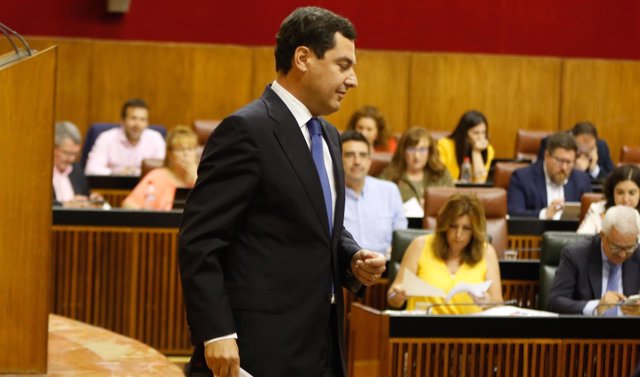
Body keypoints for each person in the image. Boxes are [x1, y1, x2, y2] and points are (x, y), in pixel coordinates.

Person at [178, 7, 386, 377]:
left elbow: (315, 224)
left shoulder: (331, 137)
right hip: (257, 350)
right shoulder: (247, 130)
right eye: (343, 65)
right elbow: (200, 241)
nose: (353, 79)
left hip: (321, 348)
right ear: (303, 58)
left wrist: (351, 257)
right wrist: (216, 332)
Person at [386, 193, 503, 314]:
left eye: (466, 228)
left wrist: (488, 302)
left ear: (475, 230)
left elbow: (498, 304)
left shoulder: (487, 251)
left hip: (469, 329)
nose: (458, 235)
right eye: (453, 226)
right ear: (444, 225)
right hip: (423, 328)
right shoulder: (419, 246)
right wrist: (397, 295)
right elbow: (391, 298)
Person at [548, 205, 640, 316]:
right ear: (602, 235)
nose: (622, 254)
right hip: (586, 331)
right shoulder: (575, 255)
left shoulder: (637, 254)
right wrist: (597, 306)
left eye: (629, 248)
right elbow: (555, 302)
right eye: (616, 247)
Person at [341, 130, 407, 259]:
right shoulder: (328, 194)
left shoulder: (389, 191)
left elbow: (400, 235)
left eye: (363, 155)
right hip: (344, 268)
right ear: (337, 159)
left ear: (370, 160)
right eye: (349, 155)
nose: (357, 161)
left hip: (384, 267)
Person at [507, 131, 592, 219]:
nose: (564, 167)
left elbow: (590, 215)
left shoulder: (582, 180)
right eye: (560, 161)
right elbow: (514, 213)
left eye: (569, 162)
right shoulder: (522, 178)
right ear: (547, 155)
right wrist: (544, 215)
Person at [122, 126, 198, 210]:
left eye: (190, 149)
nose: (186, 154)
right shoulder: (157, 176)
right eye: (180, 150)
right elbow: (128, 205)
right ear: (169, 154)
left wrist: (196, 178)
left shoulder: (203, 176)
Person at [84, 98, 166, 176]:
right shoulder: (107, 138)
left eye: (142, 119)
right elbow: (91, 169)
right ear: (123, 121)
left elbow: (163, 171)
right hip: (113, 187)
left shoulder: (155, 138)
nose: (137, 124)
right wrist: (117, 174)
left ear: (147, 123)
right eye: (133, 118)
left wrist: (134, 172)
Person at [379, 127, 453, 205]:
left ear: (430, 152)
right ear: (403, 152)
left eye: (422, 150)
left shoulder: (440, 174)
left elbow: (454, 205)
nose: (417, 156)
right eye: (411, 149)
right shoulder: (389, 176)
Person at [537, 122, 614, 180]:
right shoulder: (551, 143)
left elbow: (613, 179)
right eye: (580, 150)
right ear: (572, 139)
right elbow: (540, 174)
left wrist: (594, 169)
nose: (584, 153)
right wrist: (572, 168)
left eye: (589, 150)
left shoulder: (601, 147)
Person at [52, 121, 103, 208]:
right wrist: (65, 205)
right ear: (52, 147)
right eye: (66, 153)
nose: (71, 159)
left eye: (75, 154)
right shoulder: (39, 174)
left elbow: (83, 196)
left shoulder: (76, 169)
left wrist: (90, 200)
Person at [578, 165, 640, 234]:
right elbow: (582, 239)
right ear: (612, 192)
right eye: (620, 193)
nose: (625, 199)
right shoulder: (598, 210)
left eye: (631, 193)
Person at [436, 110, 495, 183]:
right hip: (449, 190)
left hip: (474, 192)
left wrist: (476, 152)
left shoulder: (488, 149)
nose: (481, 138)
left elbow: (480, 182)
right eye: (476, 133)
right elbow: (440, 179)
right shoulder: (444, 145)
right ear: (464, 133)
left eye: (483, 133)